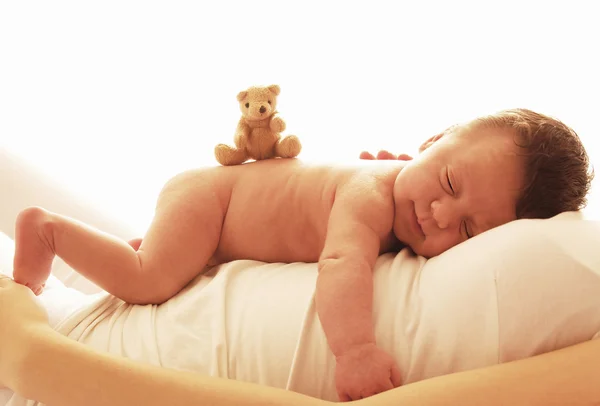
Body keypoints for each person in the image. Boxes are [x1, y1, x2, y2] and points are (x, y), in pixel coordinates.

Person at [11, 108, 592, 401]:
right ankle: (48, 234)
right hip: (211, 203)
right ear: (431, 142)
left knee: (160, 268)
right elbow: (343, 264)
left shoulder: (397, 182)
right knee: (146, 279)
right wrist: (356, 348)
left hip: (223, 221)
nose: (440, 213)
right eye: (447, 180)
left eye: (467, 228)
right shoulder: (369, 196)